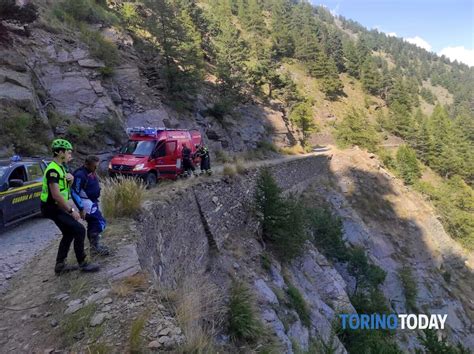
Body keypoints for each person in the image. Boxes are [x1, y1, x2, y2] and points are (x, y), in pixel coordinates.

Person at [40, 139, 99, 274]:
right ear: (60, 152)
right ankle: (83, 263)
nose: (70, 154)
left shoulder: (61, 167)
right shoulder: (53, 170)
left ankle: (60, 266)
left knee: (68, 233)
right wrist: (71, 210)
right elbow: (56, 195)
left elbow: (64, 191)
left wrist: (71, 181)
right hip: (52, 207)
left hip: (56, 206)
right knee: (79, 230)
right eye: (68, 152)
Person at [71, 155, 110, 256]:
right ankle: (95, 248)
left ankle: (94, 247)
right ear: (87, 164)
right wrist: (81, 208)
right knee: (98, 222)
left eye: (97, 166)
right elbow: (74, 192)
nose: (96, 168)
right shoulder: (80, 175)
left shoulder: (90, 172)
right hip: (85, 202)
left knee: (94, 223)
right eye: (94, 166)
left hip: (92, 201)